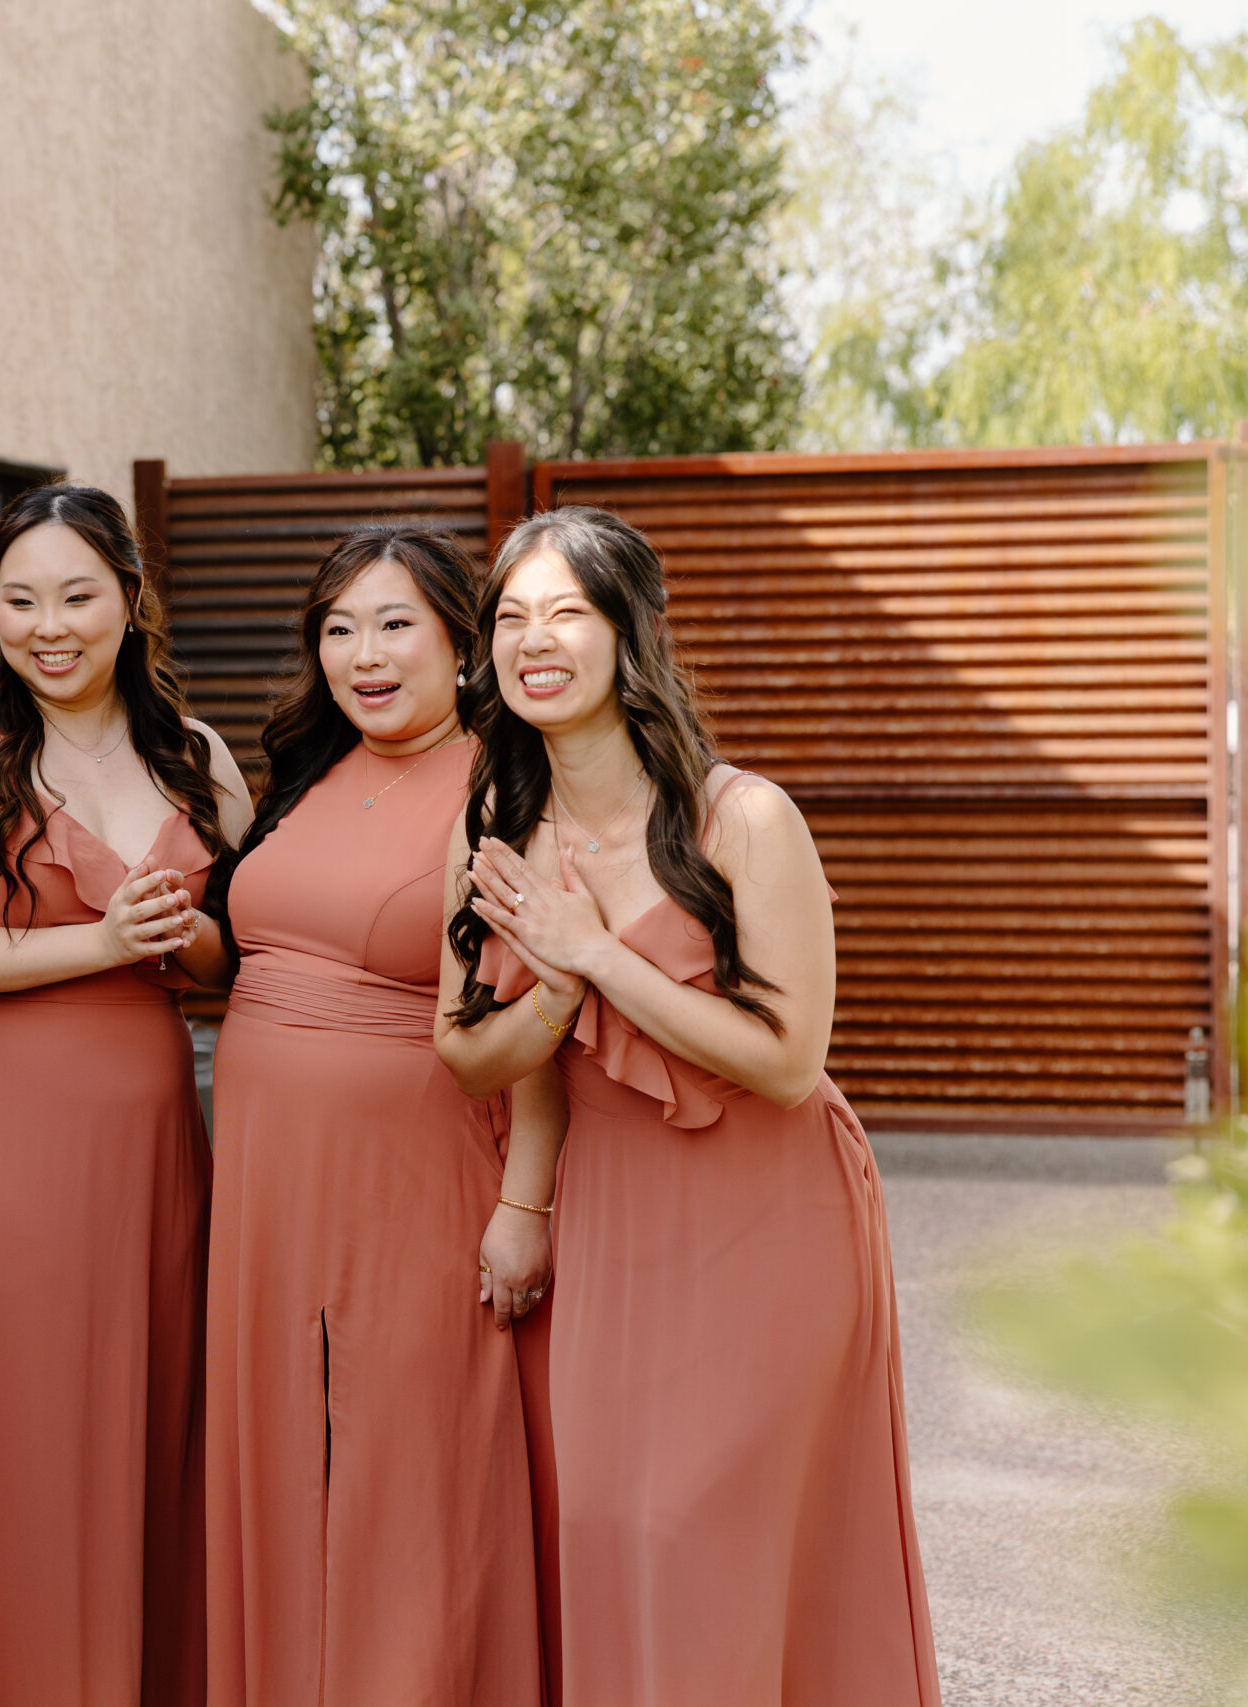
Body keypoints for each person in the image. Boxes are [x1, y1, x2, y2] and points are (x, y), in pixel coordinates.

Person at [435, 505, 939, 1707]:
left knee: (713, 1532)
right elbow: (467, 1058)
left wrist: (597, 956)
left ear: (629, 635)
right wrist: (557, 989)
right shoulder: (494, 824)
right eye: (510, 617)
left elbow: (784, 1058)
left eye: (566, 612)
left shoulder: (743, 818)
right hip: (614, 1213)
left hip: (767, 1214)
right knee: (617, 1528)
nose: (532, 640)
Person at [0, 483, 251, 1707]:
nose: (49, 625)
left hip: (150, 1132)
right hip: (4, 1124)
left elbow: (231, 955)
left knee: (136, 1417)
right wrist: (99, 947)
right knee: (22, 1428)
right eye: (19, 598)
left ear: (129, 601)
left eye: (77, 596)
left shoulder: (193, 756)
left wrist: (181, 936)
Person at [199, 526, 551, 1707]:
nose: (364, 653)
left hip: (416, 1174)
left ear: (462, 648)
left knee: (407, 1471)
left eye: (395, 623)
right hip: (261, 1184)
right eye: (339, 628)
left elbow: (543, 1005)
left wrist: (523, 1202)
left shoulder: (504, 789)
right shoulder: (305, 772)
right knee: (284, 1461)